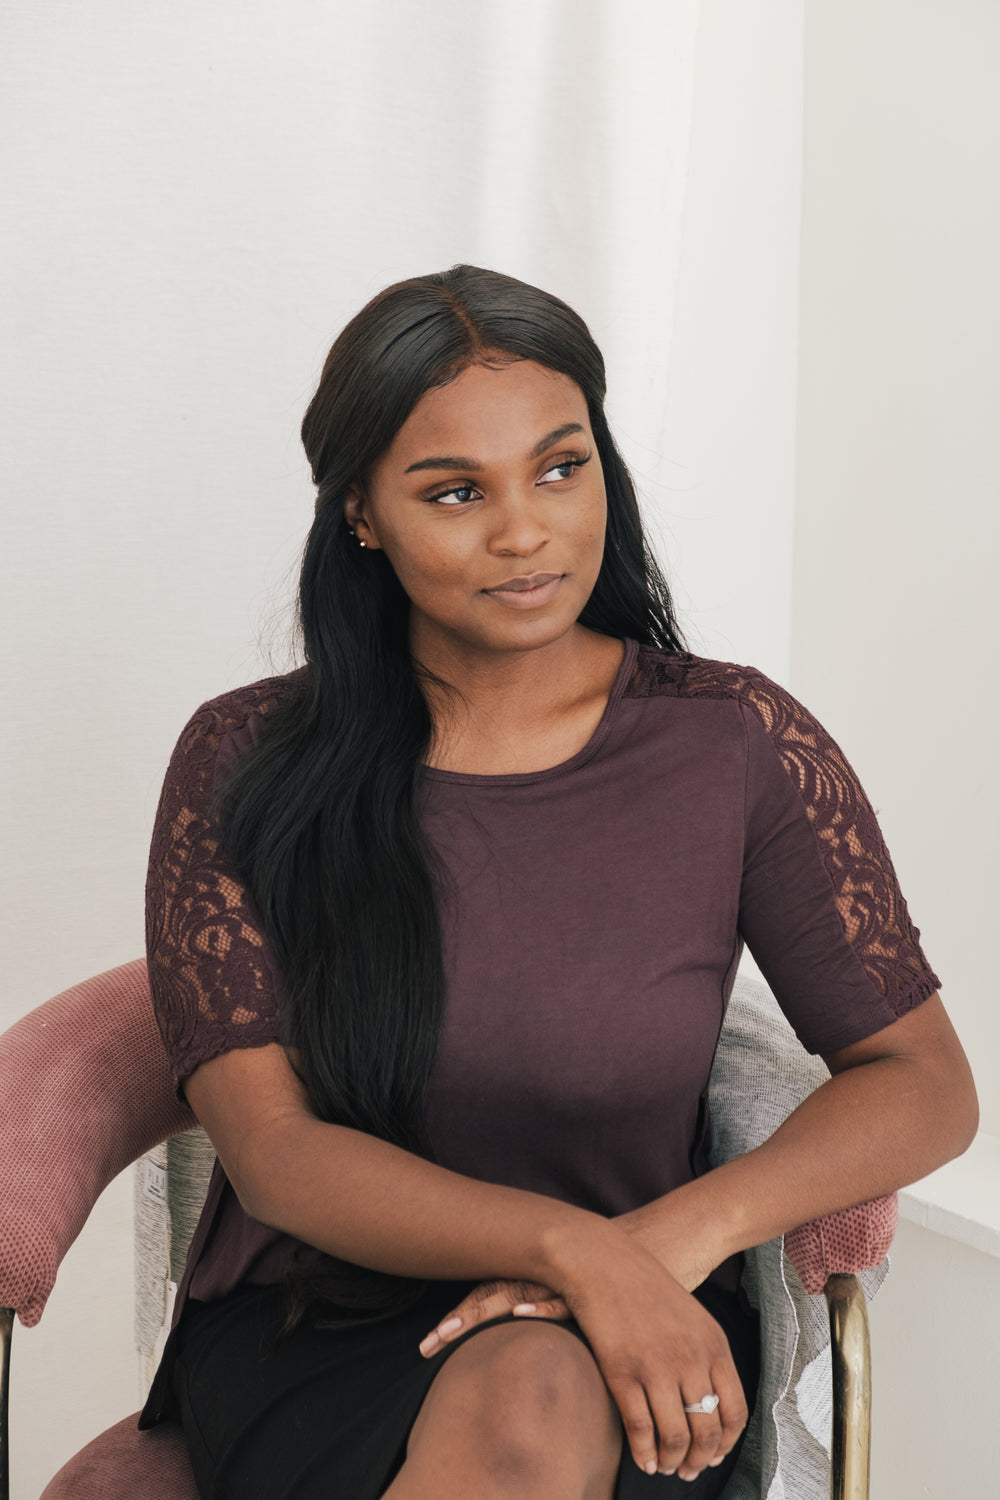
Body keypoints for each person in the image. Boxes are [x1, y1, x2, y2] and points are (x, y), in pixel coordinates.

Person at [140, 264, 977, 1500]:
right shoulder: (243, 759)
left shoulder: (736, 740)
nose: (524, 530)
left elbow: (922, 1084)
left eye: (559, 466)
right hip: (317, 1332)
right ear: (361, 514)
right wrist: (569, 1247)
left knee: (536, 1392)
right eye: (454, 492)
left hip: (637, 1334)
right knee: (523, 1401)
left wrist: (658, 1249)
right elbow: (275, 1156)